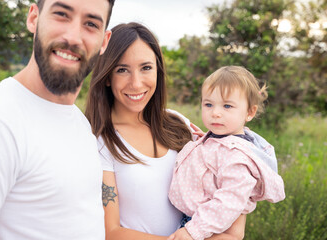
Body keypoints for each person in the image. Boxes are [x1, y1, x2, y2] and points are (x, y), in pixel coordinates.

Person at [0, 0, 114, 239]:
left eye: (90, 24)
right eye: (61, 14)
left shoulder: (78, 122)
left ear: (104, 41)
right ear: (33, 18)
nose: (73, 37)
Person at [85, 22, 246, 240]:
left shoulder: (177, 123)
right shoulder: (100, 142)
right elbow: (110, 232)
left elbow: (225, 173)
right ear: (106, 76)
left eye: (146, 68)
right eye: (122, 70)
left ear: (158, 71)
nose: (136, 82)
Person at [168, 66, 286, 240]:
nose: (215, 113)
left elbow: (230, 200)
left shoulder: (236, 156)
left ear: (249, 112)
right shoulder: (219, 140)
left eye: (227, 106)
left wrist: (194, 231)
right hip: (197, 221)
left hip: (207, 227)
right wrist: (204, 144)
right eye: (208, 104)